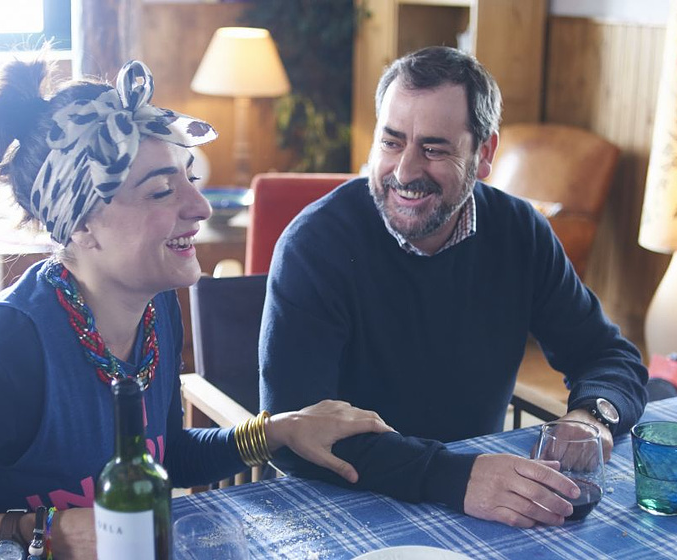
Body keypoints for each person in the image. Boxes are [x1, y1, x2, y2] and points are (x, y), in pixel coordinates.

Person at [0, 55, 393, 560]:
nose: (200, 207)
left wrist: (280, 430)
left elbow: (164, 454)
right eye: (160, 192)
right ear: (80, 223)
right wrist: (38, 532)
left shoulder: (155, 310)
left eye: (189, 178)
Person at [260, 46, 649, 528]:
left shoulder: (520, 232)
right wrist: (457, 478)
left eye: (434, 148)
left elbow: (610, 357)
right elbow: (298, 439)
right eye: (391, 141)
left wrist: (592, 417)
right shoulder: (313, 245)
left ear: (484, 154)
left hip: (479, 507)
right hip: (339, 509)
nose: (404, 172)